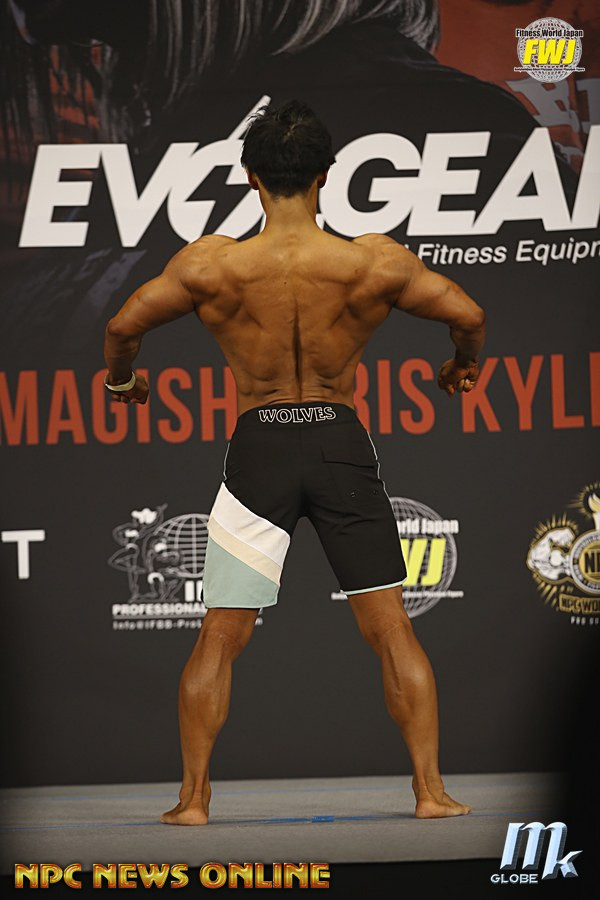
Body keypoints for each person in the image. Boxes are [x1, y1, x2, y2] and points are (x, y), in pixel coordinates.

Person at [103, 100, 485, 825]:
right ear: (326, 175)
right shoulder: (372, 262)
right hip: (339, 443)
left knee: (221, 634)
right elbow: (469, 316)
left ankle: (193, 801)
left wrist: (125, 384)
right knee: (392, 628)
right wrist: (461, 366)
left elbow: (122, 328)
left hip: (261, 445)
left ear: (250, 177)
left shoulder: (212, 264)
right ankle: (431, 794)